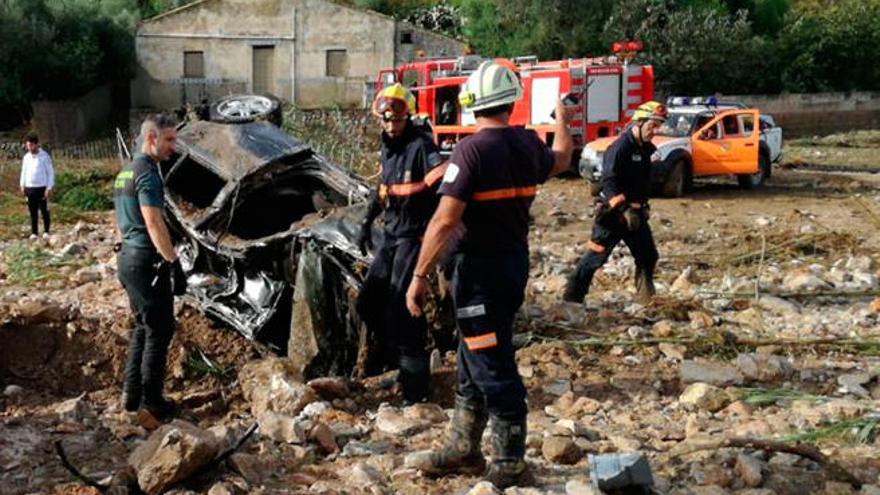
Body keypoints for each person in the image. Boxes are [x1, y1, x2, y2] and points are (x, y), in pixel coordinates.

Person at [403, 61, 575, 488]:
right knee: (472, 351)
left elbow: (444, 222)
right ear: (511, 100)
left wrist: (420, 275)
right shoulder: (527, 143)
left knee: (491, 361)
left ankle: (510, 461)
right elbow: (561, 159)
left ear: (470, 101)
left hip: (479, 273)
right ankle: (463, 447)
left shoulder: (472, 151)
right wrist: (564, 122)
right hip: (512, 265)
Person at [355, 83, 447, 404]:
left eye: (397, 120)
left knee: (404, 307)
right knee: (367, 302)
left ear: (407, 116)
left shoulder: (421, 147)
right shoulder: (387, 147)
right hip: (392, 235)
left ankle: (416, 390)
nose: (392, 126)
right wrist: (366, 223)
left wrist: (439, 234)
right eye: (387, 121)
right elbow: (383, 188)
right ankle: (396, 356)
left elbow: (443, 191)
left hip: (415, 237)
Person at [113, 114, 187, 420]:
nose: (174, 146)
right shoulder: (148, 174)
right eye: (169, 139)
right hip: (146, 261)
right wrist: (173, 262)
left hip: (128, 259)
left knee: (144, 326)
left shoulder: (125, 173)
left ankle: (132, 396)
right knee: (160, 328)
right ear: (151, 139)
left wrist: (122, 249)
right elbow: (153, 221)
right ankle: (152, 401)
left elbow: (120, 220)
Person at [562, 101, 668, 304]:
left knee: (648, 255)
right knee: (596, 257)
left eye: (658, 126)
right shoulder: (620, 148)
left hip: (635, 217)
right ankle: (572, 298)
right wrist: (623, 208)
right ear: (639, 122)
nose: (655, 131)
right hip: (613, 215)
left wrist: (641, 208)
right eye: (652, 125)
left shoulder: (645, 149)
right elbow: (608, 181)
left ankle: (646, 297)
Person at [19, 134, 54, 241]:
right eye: (28, 146)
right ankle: (34, 232)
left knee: (44, 210)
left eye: (31, 145)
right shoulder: (26, 157)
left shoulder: (44, 156)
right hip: (30, 187)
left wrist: (49, 187)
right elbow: (23, 171)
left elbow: (50, 173)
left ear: (36, 144)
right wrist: (22, 184)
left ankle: (46, 231)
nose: (29, 148)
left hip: (42, 187)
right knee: (32, 211)